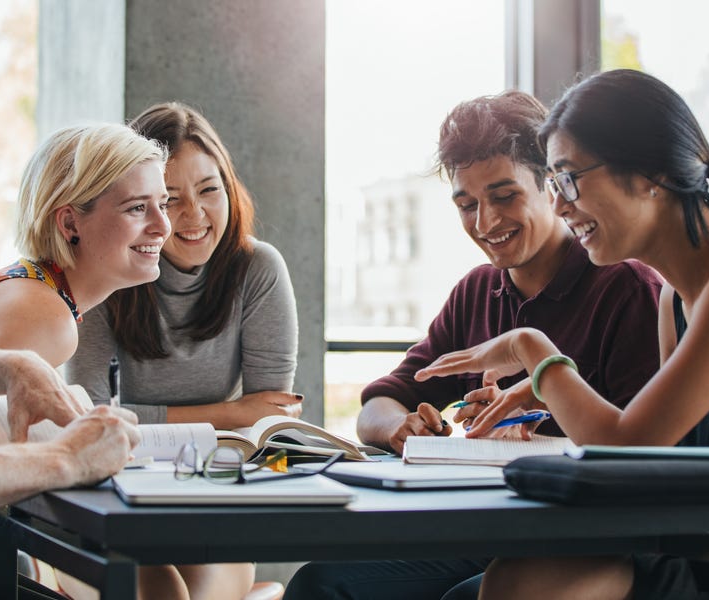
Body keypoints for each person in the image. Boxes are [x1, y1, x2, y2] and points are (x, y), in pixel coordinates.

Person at [284, 90, 663, 600]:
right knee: (319, 584)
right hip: (487, 532)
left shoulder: (626, 288)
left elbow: (641, 455)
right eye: (467, 205)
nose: (485, 223)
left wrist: (539, 413)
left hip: (585, 541)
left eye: (504, 197)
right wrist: (400, 427)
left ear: (551, 186)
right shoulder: (477, 291)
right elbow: (379, 403)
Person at [416, 68, 709, 599]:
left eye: (569, 179)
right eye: (553, 182)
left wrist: (531, 350)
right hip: (695, 549)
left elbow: (627, 445)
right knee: (498, 584)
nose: (559, 205)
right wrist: (545, 395)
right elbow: (651, 464)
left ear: (650, 174)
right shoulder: (673, 299)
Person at [65, 102, 301, 599]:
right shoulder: (103, 273)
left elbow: (266, 425)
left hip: (211, 499)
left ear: (229, 188)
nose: (194, 215)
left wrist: (240, 418)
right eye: (170, 199)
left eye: (209, 190)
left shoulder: (258, 269)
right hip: (112, 502)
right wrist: (228, 413)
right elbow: (89, 421)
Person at [0, 38, 141, 600]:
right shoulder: (49, 314)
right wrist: (63, 456)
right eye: (137, 206)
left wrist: (11, 367)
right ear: (70, 222)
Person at [0, 120, 172, 368]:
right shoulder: (47, 321)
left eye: (163, 205)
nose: (163, 227)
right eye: (137, 208)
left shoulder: (33, 290)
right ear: (70, 223)